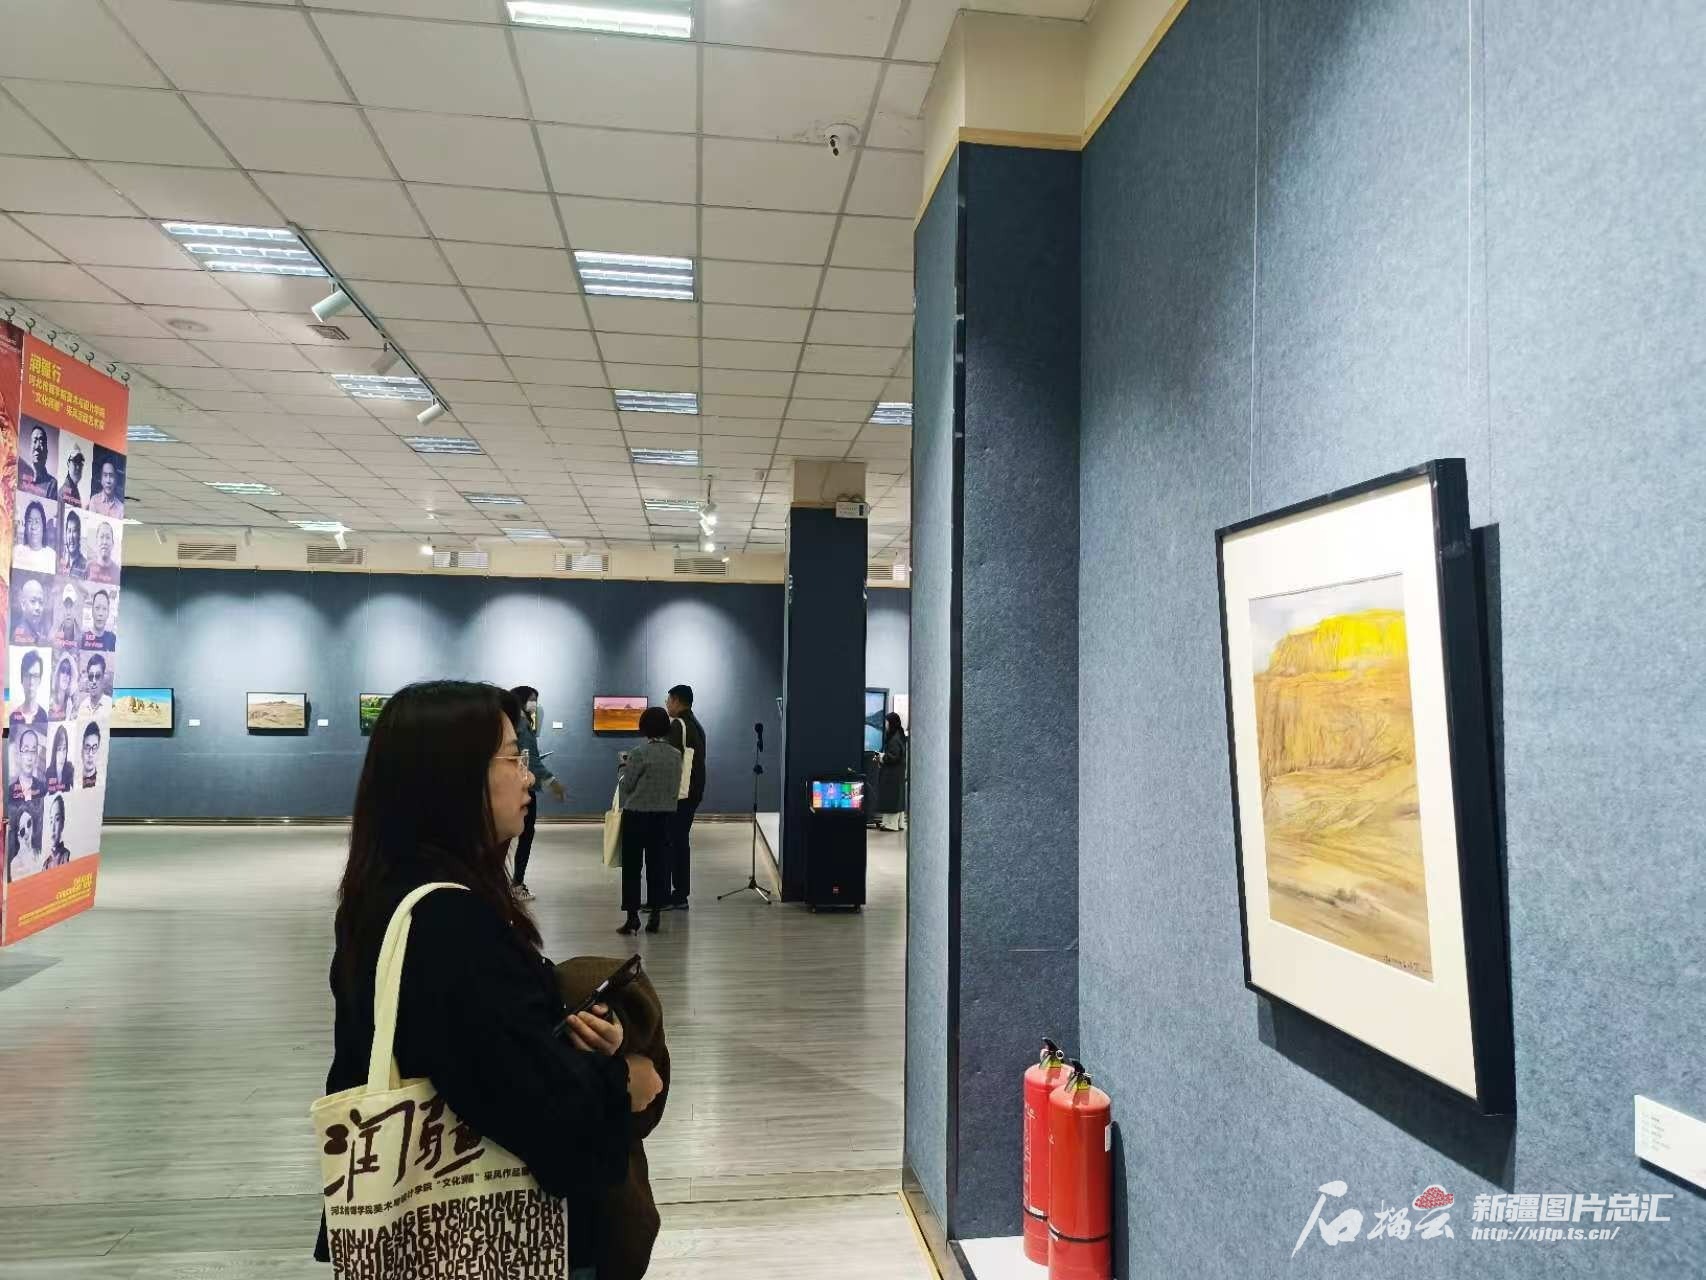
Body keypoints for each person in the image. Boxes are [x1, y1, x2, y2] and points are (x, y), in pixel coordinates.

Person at [316, 680, 662, 1273]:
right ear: (452, 778)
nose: (527, 779)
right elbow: (534, 1109)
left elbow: (475, 1051)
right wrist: (624, 1081)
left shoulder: (387, 894)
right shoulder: (450, 923)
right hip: (498, 1239)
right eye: (511, 758)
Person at [616, 707, 680, 937]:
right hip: (665, 816)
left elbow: (627, 786)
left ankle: (632, 917)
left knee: (632, 868)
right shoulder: (676, 754)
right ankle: (655, 914)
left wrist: (622, 768)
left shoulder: (639, 753)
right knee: (658, 866)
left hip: (637, 816)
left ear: (644, 727)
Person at [506, 685, 566, 902]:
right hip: (523, 789)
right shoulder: (523, 724)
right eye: (532, 699)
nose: (535, 704)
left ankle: (500, 884)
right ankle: (517, 884)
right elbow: (529, 759)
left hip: (507, 787)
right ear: (521, 700)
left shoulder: (509, 723)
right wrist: (552, 781)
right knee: (525, 836)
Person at [663, 684, 706, 911]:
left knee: (674, 842)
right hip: (693, 792)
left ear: (677, 701)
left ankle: (678, 895)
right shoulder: (696, 725)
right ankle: (680, 893)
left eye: (668, 700)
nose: (666, 704)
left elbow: (670, 760)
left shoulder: (678, 725)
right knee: (680, 841)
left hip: (682, 794)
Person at [877, 713, 908, 832]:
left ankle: (890, 825)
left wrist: (882, 757)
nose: (886, 725)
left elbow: (893, 757)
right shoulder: (899, 735)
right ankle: (899, 823)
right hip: (898, 773)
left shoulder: (894, 739)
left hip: (892, 774)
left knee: (891, 798)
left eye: (887, 722)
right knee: (898, 799)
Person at [15, 500, 56, 574]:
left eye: (37, 522)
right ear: (25, 526)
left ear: (43, 526)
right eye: (30, 521)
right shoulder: (16, 551)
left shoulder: (52, 556)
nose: (33, 527)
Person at [10, 650, 47, 728]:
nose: (31, 682)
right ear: (22, 679)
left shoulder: (44, 716)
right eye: (27, 675)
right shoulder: (12, 717)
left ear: (40, 680)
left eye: (35, 676)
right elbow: (5, 735)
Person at [20, 423, 56, 500]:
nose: (37, 447)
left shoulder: (53, 484)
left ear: (46, 452)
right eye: (34, 441)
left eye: (41, 442)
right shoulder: (20, 475)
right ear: (30, 448)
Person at [9, 728, 45, 803]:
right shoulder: (9, 791)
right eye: (26, 750)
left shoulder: (42, 788)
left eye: (33, 751)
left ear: (36, 756)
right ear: (19, 755)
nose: (30, 758)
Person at [12, 577, 49, 645]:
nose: (37, 607)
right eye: (33, 601)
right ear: (23, 605)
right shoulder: (21, 634)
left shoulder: (38, 631)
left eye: (41, 602)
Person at [78, 655, 111, 719]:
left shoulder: (110, 707)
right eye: (91, 676)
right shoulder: (82, 707)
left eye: (97, 676)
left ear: (103, 678)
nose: (94, 681)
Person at [44, 796, 71, 869]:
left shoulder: (67, 856)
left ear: (62, 824)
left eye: (57, 819)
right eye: (51, 821)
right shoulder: (46, 864)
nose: (53, 828)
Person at [46, 725, 73, 794]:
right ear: (54, 750)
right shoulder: (49, 772)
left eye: (64, 748)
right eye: (59, 749)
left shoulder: (70, 769)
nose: (62, 754)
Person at [62, 510, 88, 578]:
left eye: (74, 531)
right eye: (69, 531)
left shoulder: (86, 566)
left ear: (79, 535)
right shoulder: (61, 563)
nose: (71, 536)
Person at [48, 655, 76, 720]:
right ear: (58, 674)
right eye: (63, 671)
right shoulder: (50, 699)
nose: (65, 675)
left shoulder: (70, 704)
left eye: (68, 672)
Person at [80, 721, 102, 789]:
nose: (90, 754)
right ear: (81, 751)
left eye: (94, 748)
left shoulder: (101, 782)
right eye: (87, 747)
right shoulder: (74, 781)